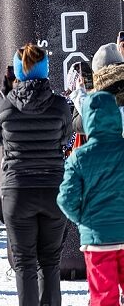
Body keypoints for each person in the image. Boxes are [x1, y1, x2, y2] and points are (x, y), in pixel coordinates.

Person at [0, 43, 72, 306]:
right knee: (50, 261)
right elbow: (66, 137)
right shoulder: (59, 105)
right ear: (46, 70)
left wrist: (4, 95)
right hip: (53, 189)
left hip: (17, 190)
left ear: (16, 72)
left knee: (25, 262)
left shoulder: (3, 104)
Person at [58, 92, 124, 306]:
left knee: (104, 298)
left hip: (97, 240)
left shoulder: (79, 157)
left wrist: (84, 219)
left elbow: (66, 199)